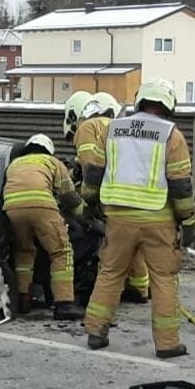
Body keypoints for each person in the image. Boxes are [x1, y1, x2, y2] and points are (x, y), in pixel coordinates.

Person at [81, 78, 195, 359]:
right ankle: (167, 344)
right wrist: (188, 220)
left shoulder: (112, 129)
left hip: (118, 218)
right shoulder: (172, 135)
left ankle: (96, 332)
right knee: (163, 280)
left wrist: (89, 202)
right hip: (158, 219)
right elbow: (180, 184)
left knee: (110, 273)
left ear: (140, 100)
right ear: (168, 105)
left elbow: (93, 171)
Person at [73, 92, 150, 303]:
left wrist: (88, 198)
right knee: (133, 241)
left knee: (111, 242)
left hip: (110, 194)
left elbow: (91, 165)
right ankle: (140, 288)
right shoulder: (120, 126)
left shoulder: (87, 128)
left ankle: (107, 291)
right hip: (135, 191)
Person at [1, 134, 85, 320]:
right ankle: (64, 304)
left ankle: (23, 299)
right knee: (61, 252)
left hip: (12, 209)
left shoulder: (15, 164)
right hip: (42, 206)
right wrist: (83, 214)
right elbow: (69, 196)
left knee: (24, 252)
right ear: (49, 149)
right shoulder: (52, 162)